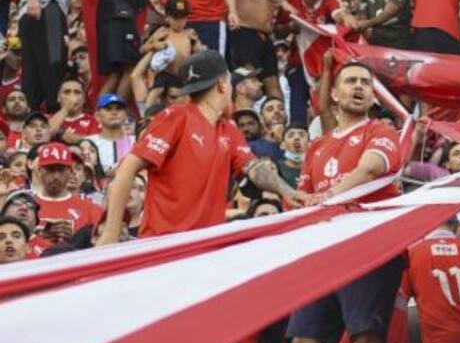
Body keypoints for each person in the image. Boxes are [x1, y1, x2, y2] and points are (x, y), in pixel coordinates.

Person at [256, 61, 405, 343]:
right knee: (303, 337)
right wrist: (293, 194)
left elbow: (372, 167)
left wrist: (332, 193)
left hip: (366, 245)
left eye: (366, 82)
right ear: (334, 94)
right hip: (323, 250)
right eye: (351, 81)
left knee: (364, 335)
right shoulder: (317, 147)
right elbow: (304, 198)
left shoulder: (381, 131)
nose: (359, 87)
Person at [98, 50, 300, 245]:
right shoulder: (176, 117)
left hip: (204, 247)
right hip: (164, 245)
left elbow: (254, 169)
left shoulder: (228, 129)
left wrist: (288, 191)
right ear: (223, 83)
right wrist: (110, 234)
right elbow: (126, 169)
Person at [230, 0, 300, 101]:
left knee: (274, 87)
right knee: (246, 86)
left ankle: (279, 117)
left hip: (265, 37)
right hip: (244, 32)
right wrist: (285, 4)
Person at [34, 141, 102, 243]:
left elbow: (102, 246)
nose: (56, 176)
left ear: (70, 171)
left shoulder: (92, 211)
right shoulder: (25, 208)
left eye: (61, 170)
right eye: (50, 169)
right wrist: (35, 239)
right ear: (39, 171)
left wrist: (76, 239)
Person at [49, 78, 100, 143]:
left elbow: (95, 143)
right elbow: (46, 134)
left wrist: (61, 133)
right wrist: (66, 109)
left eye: (77, 92)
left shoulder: (94, 121)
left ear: (84, 99)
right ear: (58, 97)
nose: (72, 96)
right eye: (67, 92)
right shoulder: (48, 118)